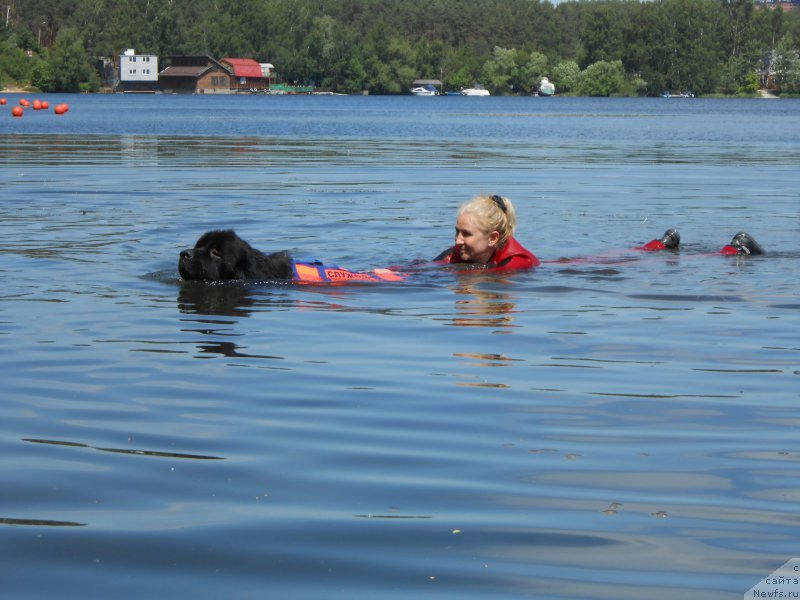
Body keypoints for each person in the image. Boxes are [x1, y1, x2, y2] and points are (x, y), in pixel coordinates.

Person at [434, 194, 540, 271]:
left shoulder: (517, 263)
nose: (458, 241)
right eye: (457, 232)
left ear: (492, 238)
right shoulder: (455, 253)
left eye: (467, 234)